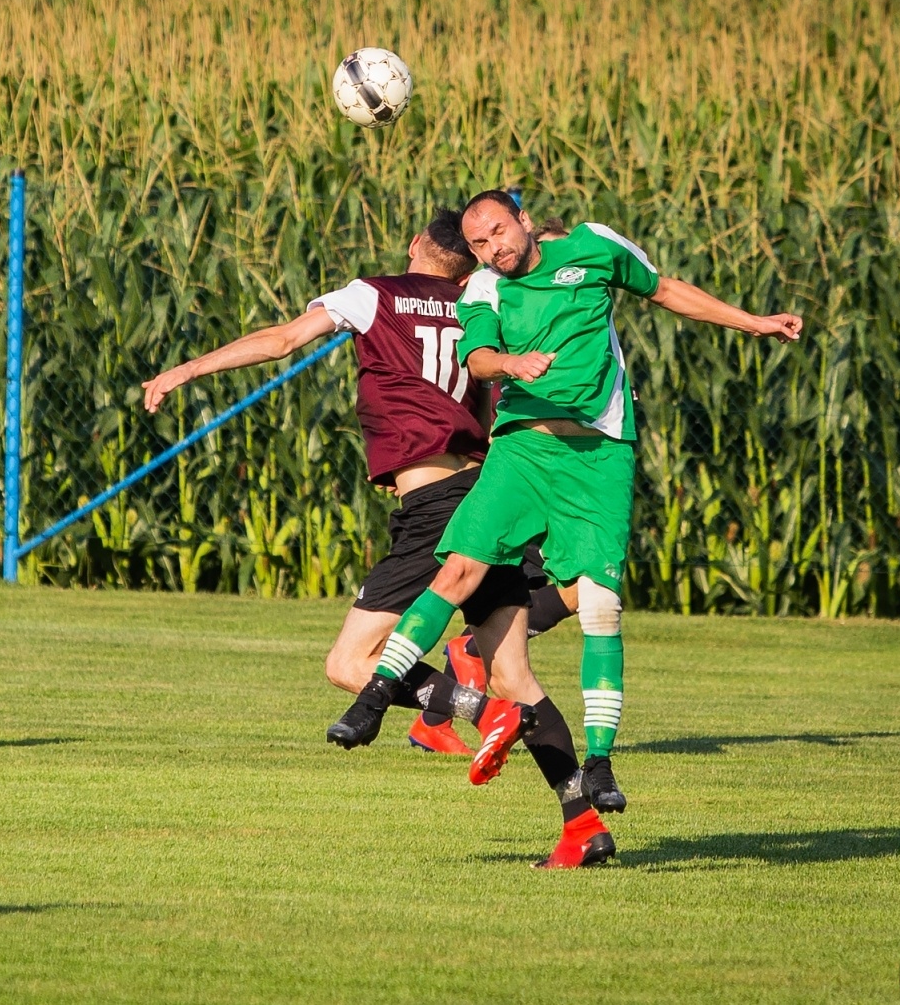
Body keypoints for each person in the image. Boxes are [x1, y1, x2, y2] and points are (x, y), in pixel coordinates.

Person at [330, 191, 803, 857]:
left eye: (499, 232)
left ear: (522, 219)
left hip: (585, 458)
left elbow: (665, 289)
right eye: (481, 244)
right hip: (519, 454)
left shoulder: (593, 247)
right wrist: (512, 364)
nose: (494, 249)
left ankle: (576, 781)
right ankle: (391, 708)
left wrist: (751, 322)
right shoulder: (485, 289)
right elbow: (478, 359)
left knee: (586, 615)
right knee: (484, 619)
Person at [142, 210, 605, 862]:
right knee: (518, 675)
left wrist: (183, 371)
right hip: (490, 497)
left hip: (434, 508)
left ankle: (475, 712)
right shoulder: (484, 298)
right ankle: (583, 824)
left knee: (349, 663)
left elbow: (281, 340)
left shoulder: (374, 294)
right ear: (465, 257)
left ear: (416, 245)